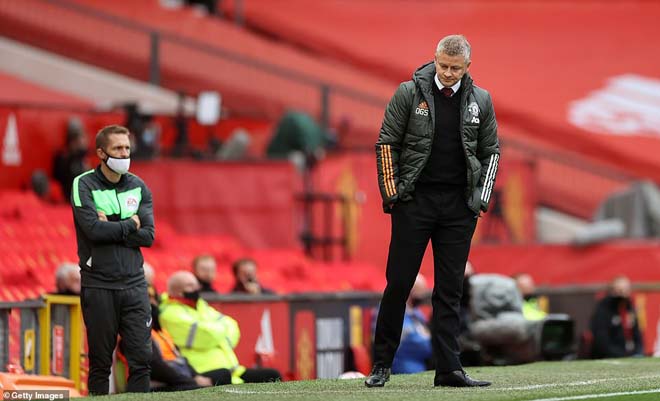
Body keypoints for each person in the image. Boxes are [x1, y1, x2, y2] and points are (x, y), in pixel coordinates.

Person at [367, 35, 499, 388]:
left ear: (468, 67)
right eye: (443, 66)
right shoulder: (408, 93)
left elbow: (491, 152)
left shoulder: (481, 100)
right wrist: (393, 195)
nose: (449, 73)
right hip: (415, 202)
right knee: (399, 283)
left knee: (450, 290)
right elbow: (386, 143)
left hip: (459, 207)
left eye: (456, 68)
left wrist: (479, 201)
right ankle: (381, 365)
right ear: (434, 59)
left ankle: (449, 369)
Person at [71, 124, 155, 395]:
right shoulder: (83, 183)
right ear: (101, 153)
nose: (124, 153)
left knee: (142, 360)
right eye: (117, 148)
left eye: (127, 148)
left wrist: (112, 226)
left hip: (135, 285)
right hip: (99, 285)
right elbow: (93, 231)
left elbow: (148, 236)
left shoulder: (138, 186)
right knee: (100, 363)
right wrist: (130, 224)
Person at [159, 271, 281, 384]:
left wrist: (216, 332)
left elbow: (232, 325)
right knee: (224, 375)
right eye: (190, 286)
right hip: (204, 372)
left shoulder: (201, 305)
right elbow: (207, 335)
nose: (197, 288)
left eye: (196, 284)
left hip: (234, 371)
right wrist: (219, 332)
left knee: (273, 375)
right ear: (177, 291)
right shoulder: (169, 313)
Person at [590, 276, 644, 359]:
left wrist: (638, 352)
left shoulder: (630, 308)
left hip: (630, 353)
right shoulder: (604, 309)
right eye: (619, 290)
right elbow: (602, 340)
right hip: (609, 355)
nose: (622, 294)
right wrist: (622, 354)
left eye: (626, 290)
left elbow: (638, 335)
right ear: (612, 290)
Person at [390, 274, 433, 374]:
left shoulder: (416, 312)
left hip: (422, 366)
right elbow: (417, 344)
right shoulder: (393, 310)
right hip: (403, 367)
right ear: (410, 291)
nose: (422, 296)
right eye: (420, 292)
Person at [53, 117, 90, 201]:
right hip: (68, 197)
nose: (81, 141)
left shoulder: (84, 157)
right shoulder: (63, 158)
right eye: (76, 139)